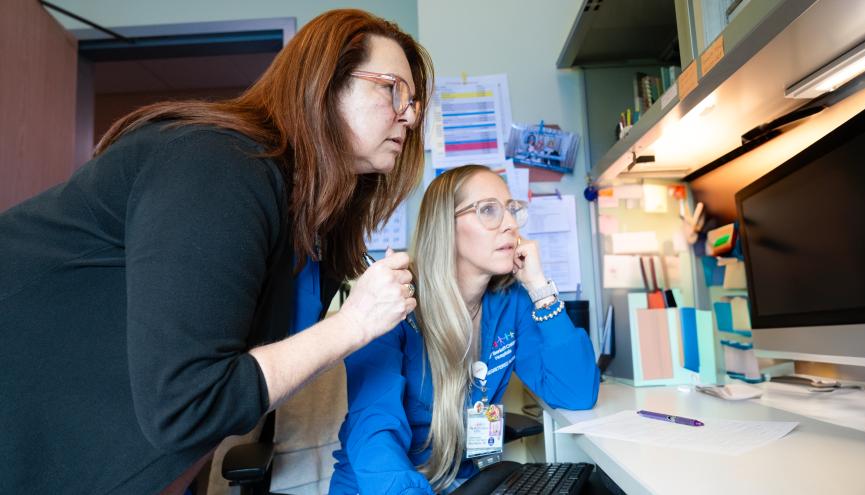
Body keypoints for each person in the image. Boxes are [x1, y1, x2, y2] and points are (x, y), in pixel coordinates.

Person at [0, 9, 432, 494]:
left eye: (414, 102)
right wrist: (355, 323)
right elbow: (189, 405)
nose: (411, 115)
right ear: (324, 84)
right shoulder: (218, 164)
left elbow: (228, 399)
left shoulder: (313, 229)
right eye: (392, 88)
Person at [330, 165, 600, 494]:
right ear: (446, 226)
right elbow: (373, 433)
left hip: (462, 480)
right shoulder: (393, 299)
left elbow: (577, 393)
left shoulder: (510, 300)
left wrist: (540, 288)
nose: (511, 224)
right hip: (384, 485)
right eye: (489, 210)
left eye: (512, 209)